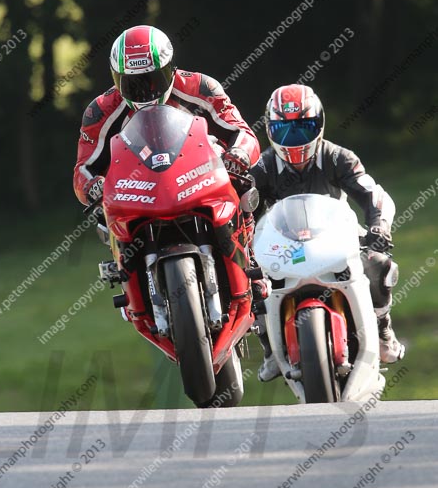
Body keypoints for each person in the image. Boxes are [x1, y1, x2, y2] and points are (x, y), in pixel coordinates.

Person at [253, 83, 405, 382]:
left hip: (337, 239)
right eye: (284, 130)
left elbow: (373, 194)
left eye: (303, 128)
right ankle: (270, 348)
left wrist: (379, 225)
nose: (293, 138)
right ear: (270, 130)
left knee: (380, 264)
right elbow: (242, 210)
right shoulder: (262, 167)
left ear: (319, 124)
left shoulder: (338, 157)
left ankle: (383, 329)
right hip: (283, 247)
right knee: (250, 279)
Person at [73, 24, 261, 207]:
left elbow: (241, 131)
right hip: (135, 196)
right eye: (132, 84)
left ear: (170, 69)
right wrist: (92, 185)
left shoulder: (201, 89)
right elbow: (83, 169)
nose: (143, 92)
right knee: (104, 219)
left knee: (243, 191)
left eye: (152, 81)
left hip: (201, 180)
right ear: (116, 78)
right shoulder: (101, 111)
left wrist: (239, 152)